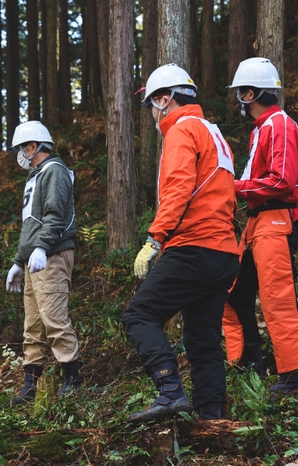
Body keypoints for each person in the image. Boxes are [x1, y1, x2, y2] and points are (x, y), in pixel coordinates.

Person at [123, 64, 241, 423]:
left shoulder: (181, 130)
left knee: (139, 315)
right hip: (223, 253)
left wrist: (154, 239)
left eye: (153, 105)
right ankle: (211, 414)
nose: (153, 115)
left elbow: (178, 187)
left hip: (194, 246)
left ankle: (170, 391)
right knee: (202, 337)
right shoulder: (213, 133)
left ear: (165, 98)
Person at [222, 57, 298, 393]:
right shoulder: (263, 129)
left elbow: (283, 181)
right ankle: (247, 363)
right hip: (258, 223)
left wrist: (233, 187)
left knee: (276, 298)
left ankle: (292, 375)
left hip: (277, 218)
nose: (237, 102)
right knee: (234, 294)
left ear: (249, 94)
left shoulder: (279, 126)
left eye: (240, 94)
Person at [5, 120, 82, 406]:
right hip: (35, 258)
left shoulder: (55, 171)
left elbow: (54, 215)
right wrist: (18, 260)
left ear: (33, 146)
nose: (20, 155)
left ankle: (73, 381)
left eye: (22, 148)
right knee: (33, 323)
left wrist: (42, 247)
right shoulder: (35, 177)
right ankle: (30, 386)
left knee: (54, 319)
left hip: (51, 254)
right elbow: (30, 225)